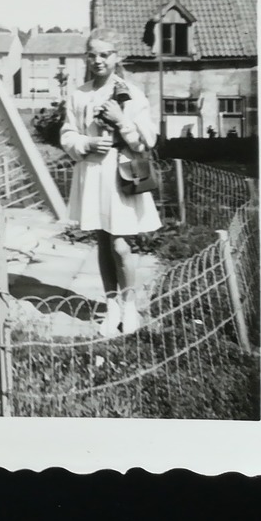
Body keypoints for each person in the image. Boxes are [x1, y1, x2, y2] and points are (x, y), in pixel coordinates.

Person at [59, 28, 160, 336]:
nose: (98, 60)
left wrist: (120, 120)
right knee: (102, 242)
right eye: (92, 55)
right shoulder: (79, 94)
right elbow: (67, 133)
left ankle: (130, 308)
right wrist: (86, 144)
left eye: (105, 54)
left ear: (117, 57)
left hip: (122, 174)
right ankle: (111, 305)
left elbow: (146, 143)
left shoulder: (130, 94)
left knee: (120, 245)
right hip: (92, 173)